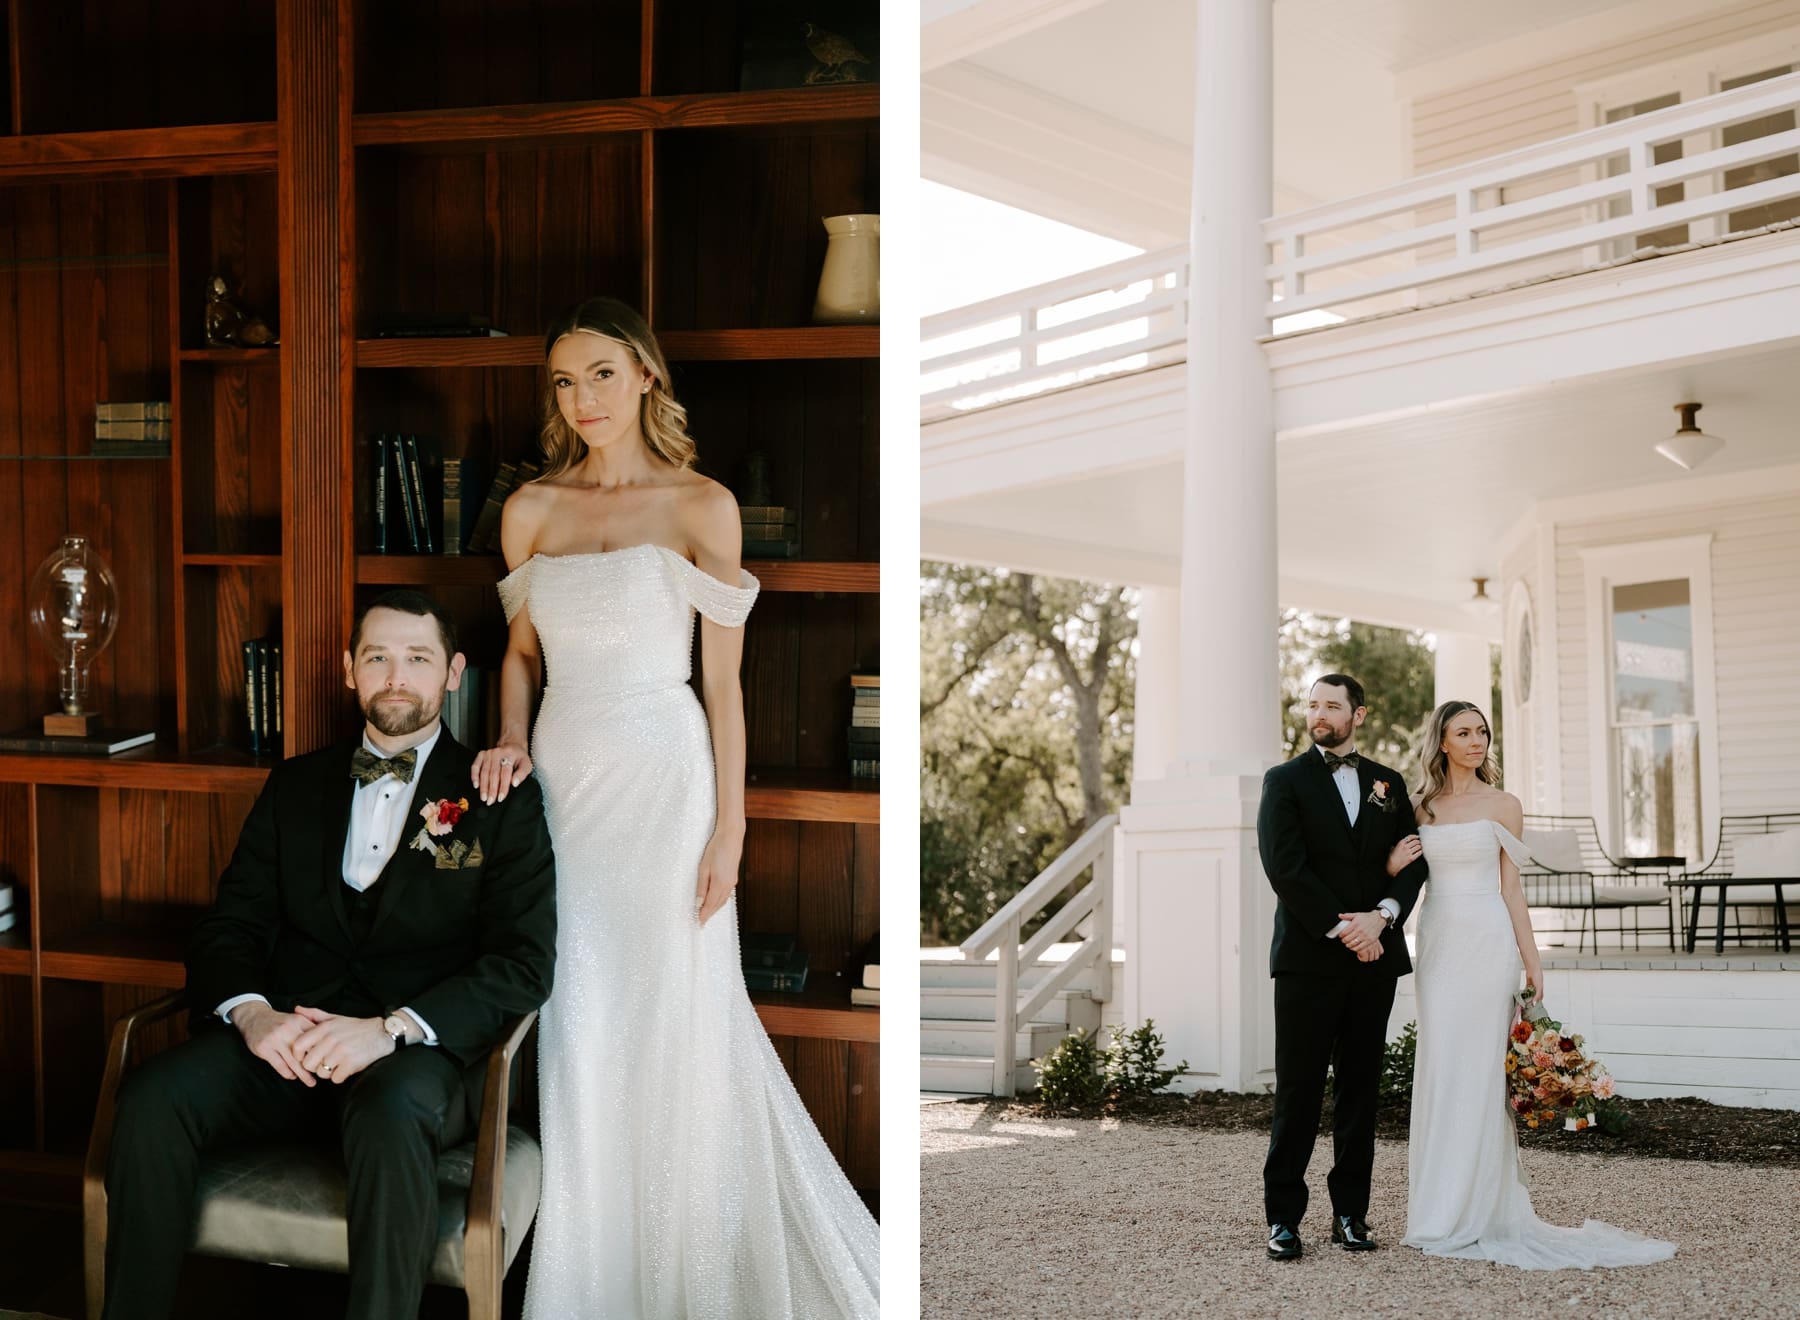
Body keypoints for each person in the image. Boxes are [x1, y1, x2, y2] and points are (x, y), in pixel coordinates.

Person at [474, 296, 879, 1318]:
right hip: (564, 784)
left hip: (667, 780)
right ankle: (588, 1272)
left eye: (602, 374)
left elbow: (725, 687)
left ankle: (684, 1262)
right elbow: (518, 658)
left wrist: (729, 828)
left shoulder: (704, 505)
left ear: (646, 374)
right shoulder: (531, 510)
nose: (584, 399)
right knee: (580, 1016)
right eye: (565, 381)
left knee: (674, 1011)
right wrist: (511, 737)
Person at [102, 590, 558, 1320]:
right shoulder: (294, 785)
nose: (396, 676)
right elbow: (229, 928)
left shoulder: (497, 800)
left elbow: (524, 963)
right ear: (349, 670)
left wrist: (388, 1030)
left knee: (389, 1114)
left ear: (453, 674)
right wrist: (252, 1017)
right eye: (378, 657)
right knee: (153, 1099)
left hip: (412, 1058)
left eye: (418, 658)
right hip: (282, 1045)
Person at [1399, 700, 1676, 1268]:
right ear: (1442, 742)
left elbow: (1512, 890)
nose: (1477, 741)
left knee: (1480, 1069)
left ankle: (1479, 1207)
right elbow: (1402, 875)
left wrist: (1533, 959)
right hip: (1438, 942)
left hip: (1488, 941)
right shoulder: (1418, 806)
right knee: (1443, 1064)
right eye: (1464, 732)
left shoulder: (1505, 804)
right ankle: (1436, 1208)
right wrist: (1387, 869)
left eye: (1482, 731)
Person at [1256, 673, 1429, 1260]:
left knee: (1360, 1092)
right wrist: (1345, 930)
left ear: (1359, 713)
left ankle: (1351, 1215)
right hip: (1309, 959)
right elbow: (1285, 868)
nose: (1319, 713)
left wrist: (1381, 917)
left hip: (1374, 959)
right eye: (1313, 704)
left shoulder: (1389, 782)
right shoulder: (1284, 781)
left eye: (1332, 704)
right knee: (1298, 1092)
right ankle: (1283, 1218)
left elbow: (1412, 862)